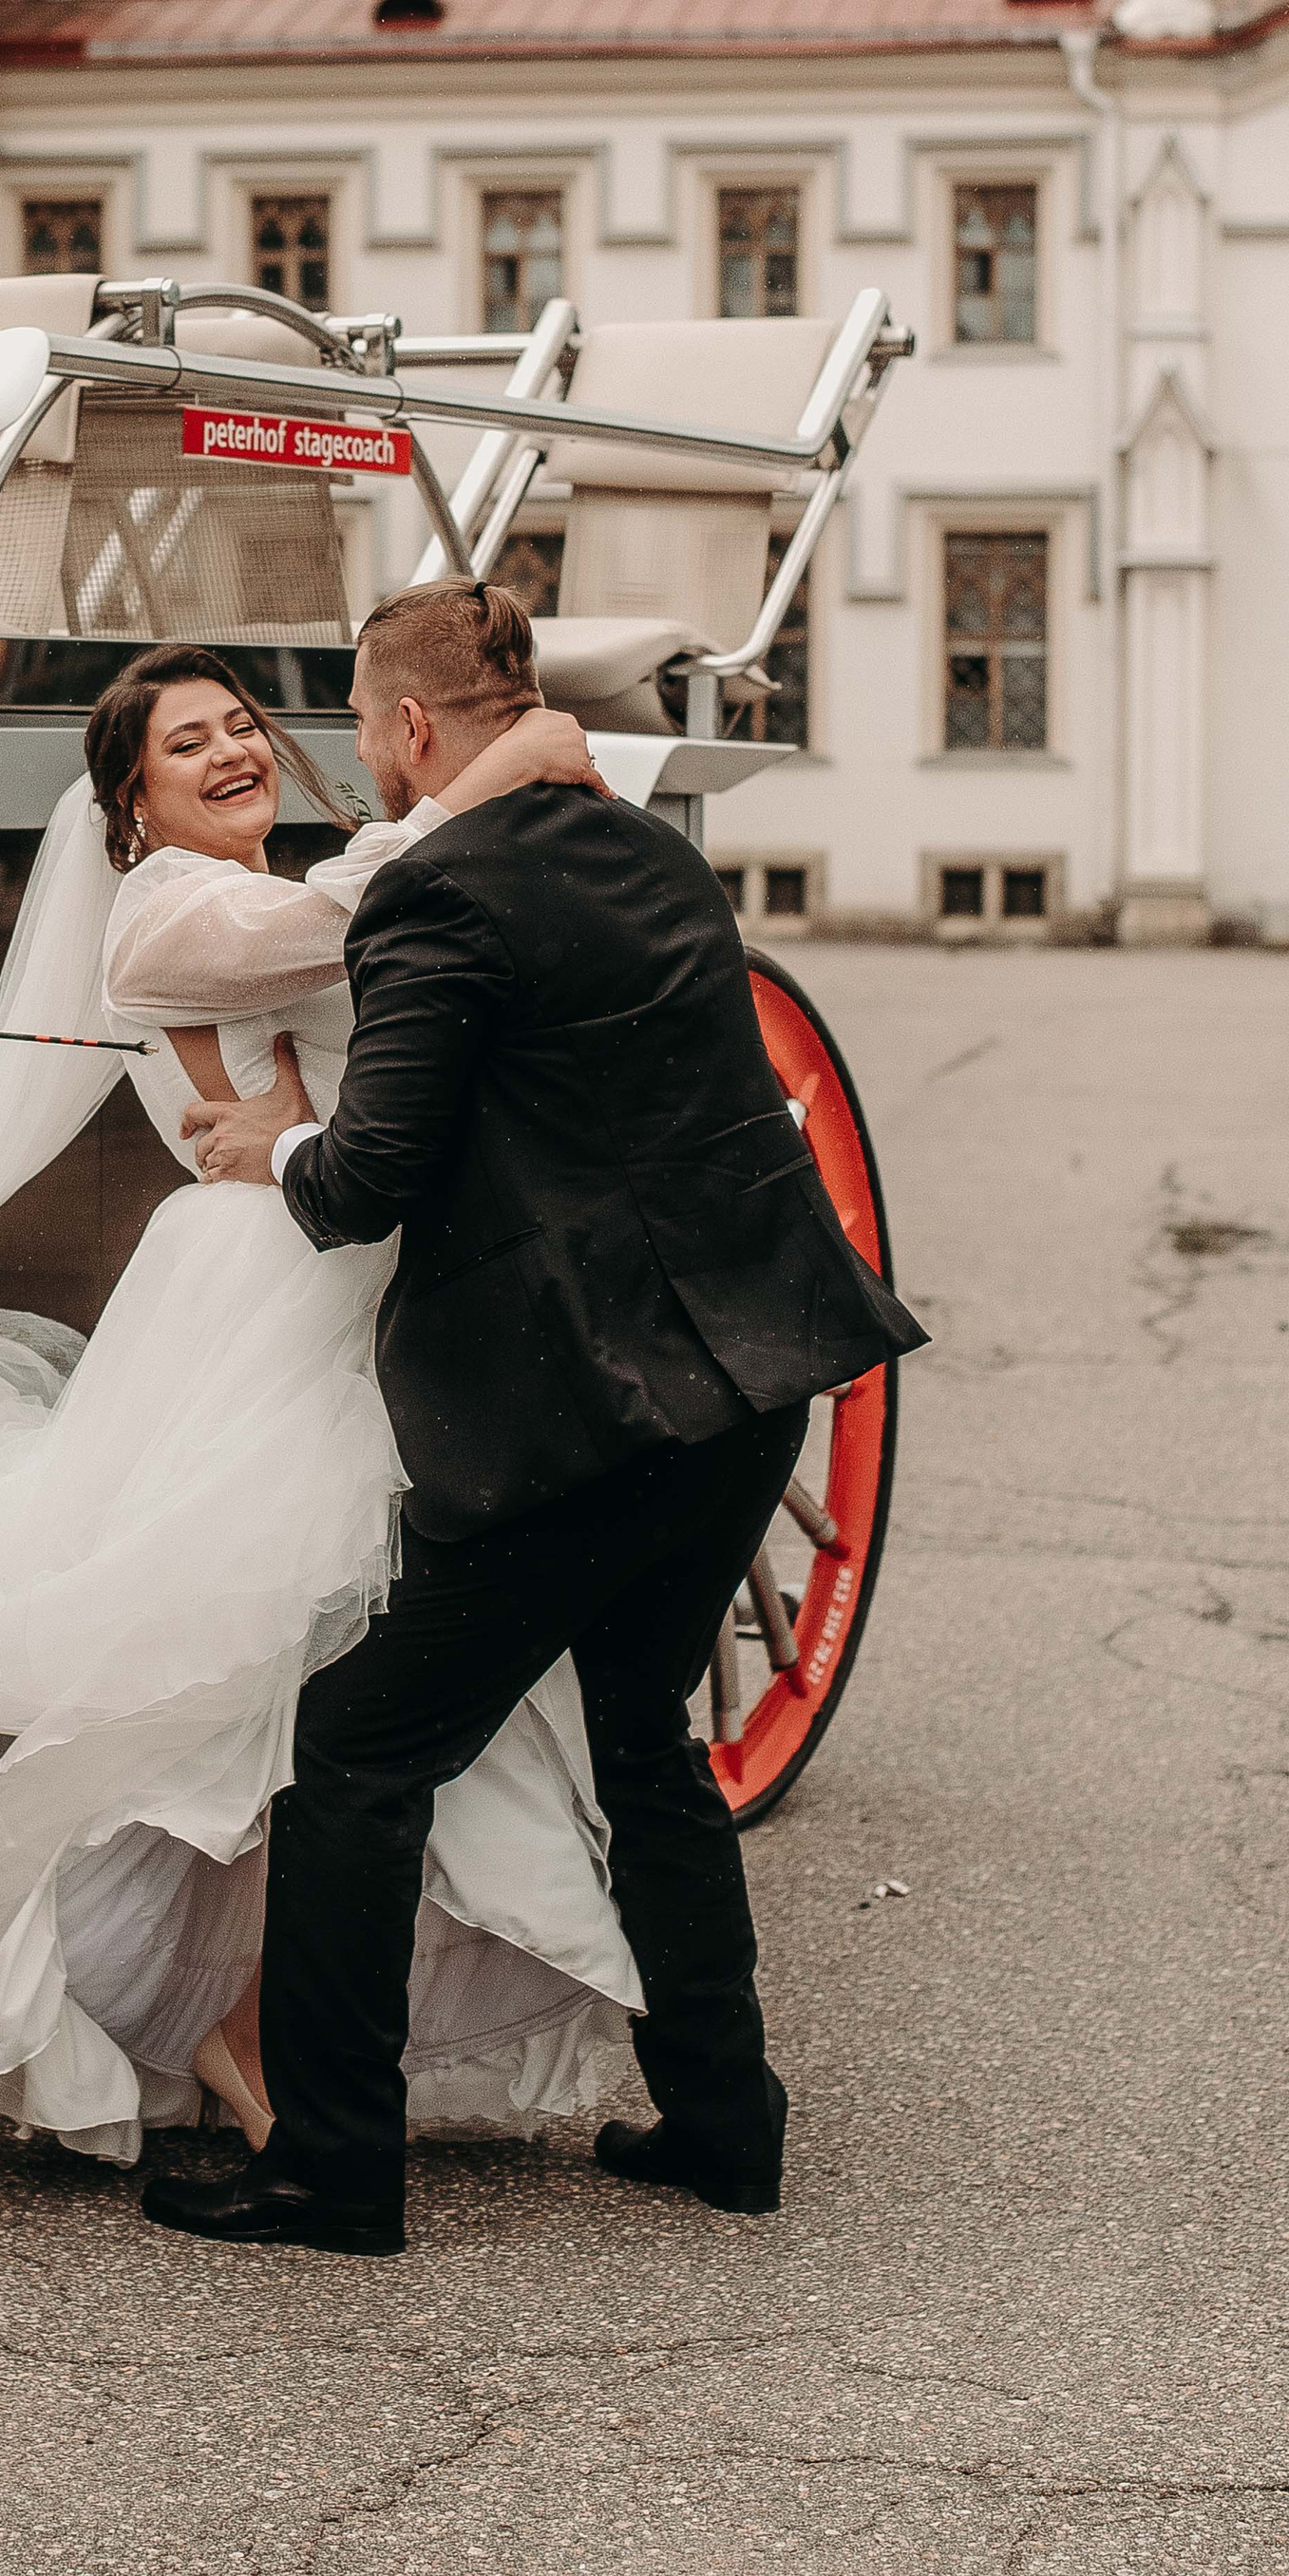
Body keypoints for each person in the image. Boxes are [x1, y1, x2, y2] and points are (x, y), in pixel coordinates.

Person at [0, 654, 648, 2167]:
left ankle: (277, 2015)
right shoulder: (168, 915)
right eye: (184, 745)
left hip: (350, 1279)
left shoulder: (274, 889)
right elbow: (355, 917)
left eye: (240, 729)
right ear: (127, 808)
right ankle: (244, 2027)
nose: (228, 754)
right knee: (283, 1666)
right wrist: (509, 759)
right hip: (268, 1301)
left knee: (322, 1681)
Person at [145, 581, 925, 2259]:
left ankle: (331, 2170)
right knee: (648, 1734)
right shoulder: (651, 853)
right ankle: (727, 2123)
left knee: (359, 1748)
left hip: (576, 1410)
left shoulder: (430, 897)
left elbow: (366, 1185)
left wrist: (257, 1148)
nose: (360, 758)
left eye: (361, 728)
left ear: (414, 729)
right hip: (753, 1381)